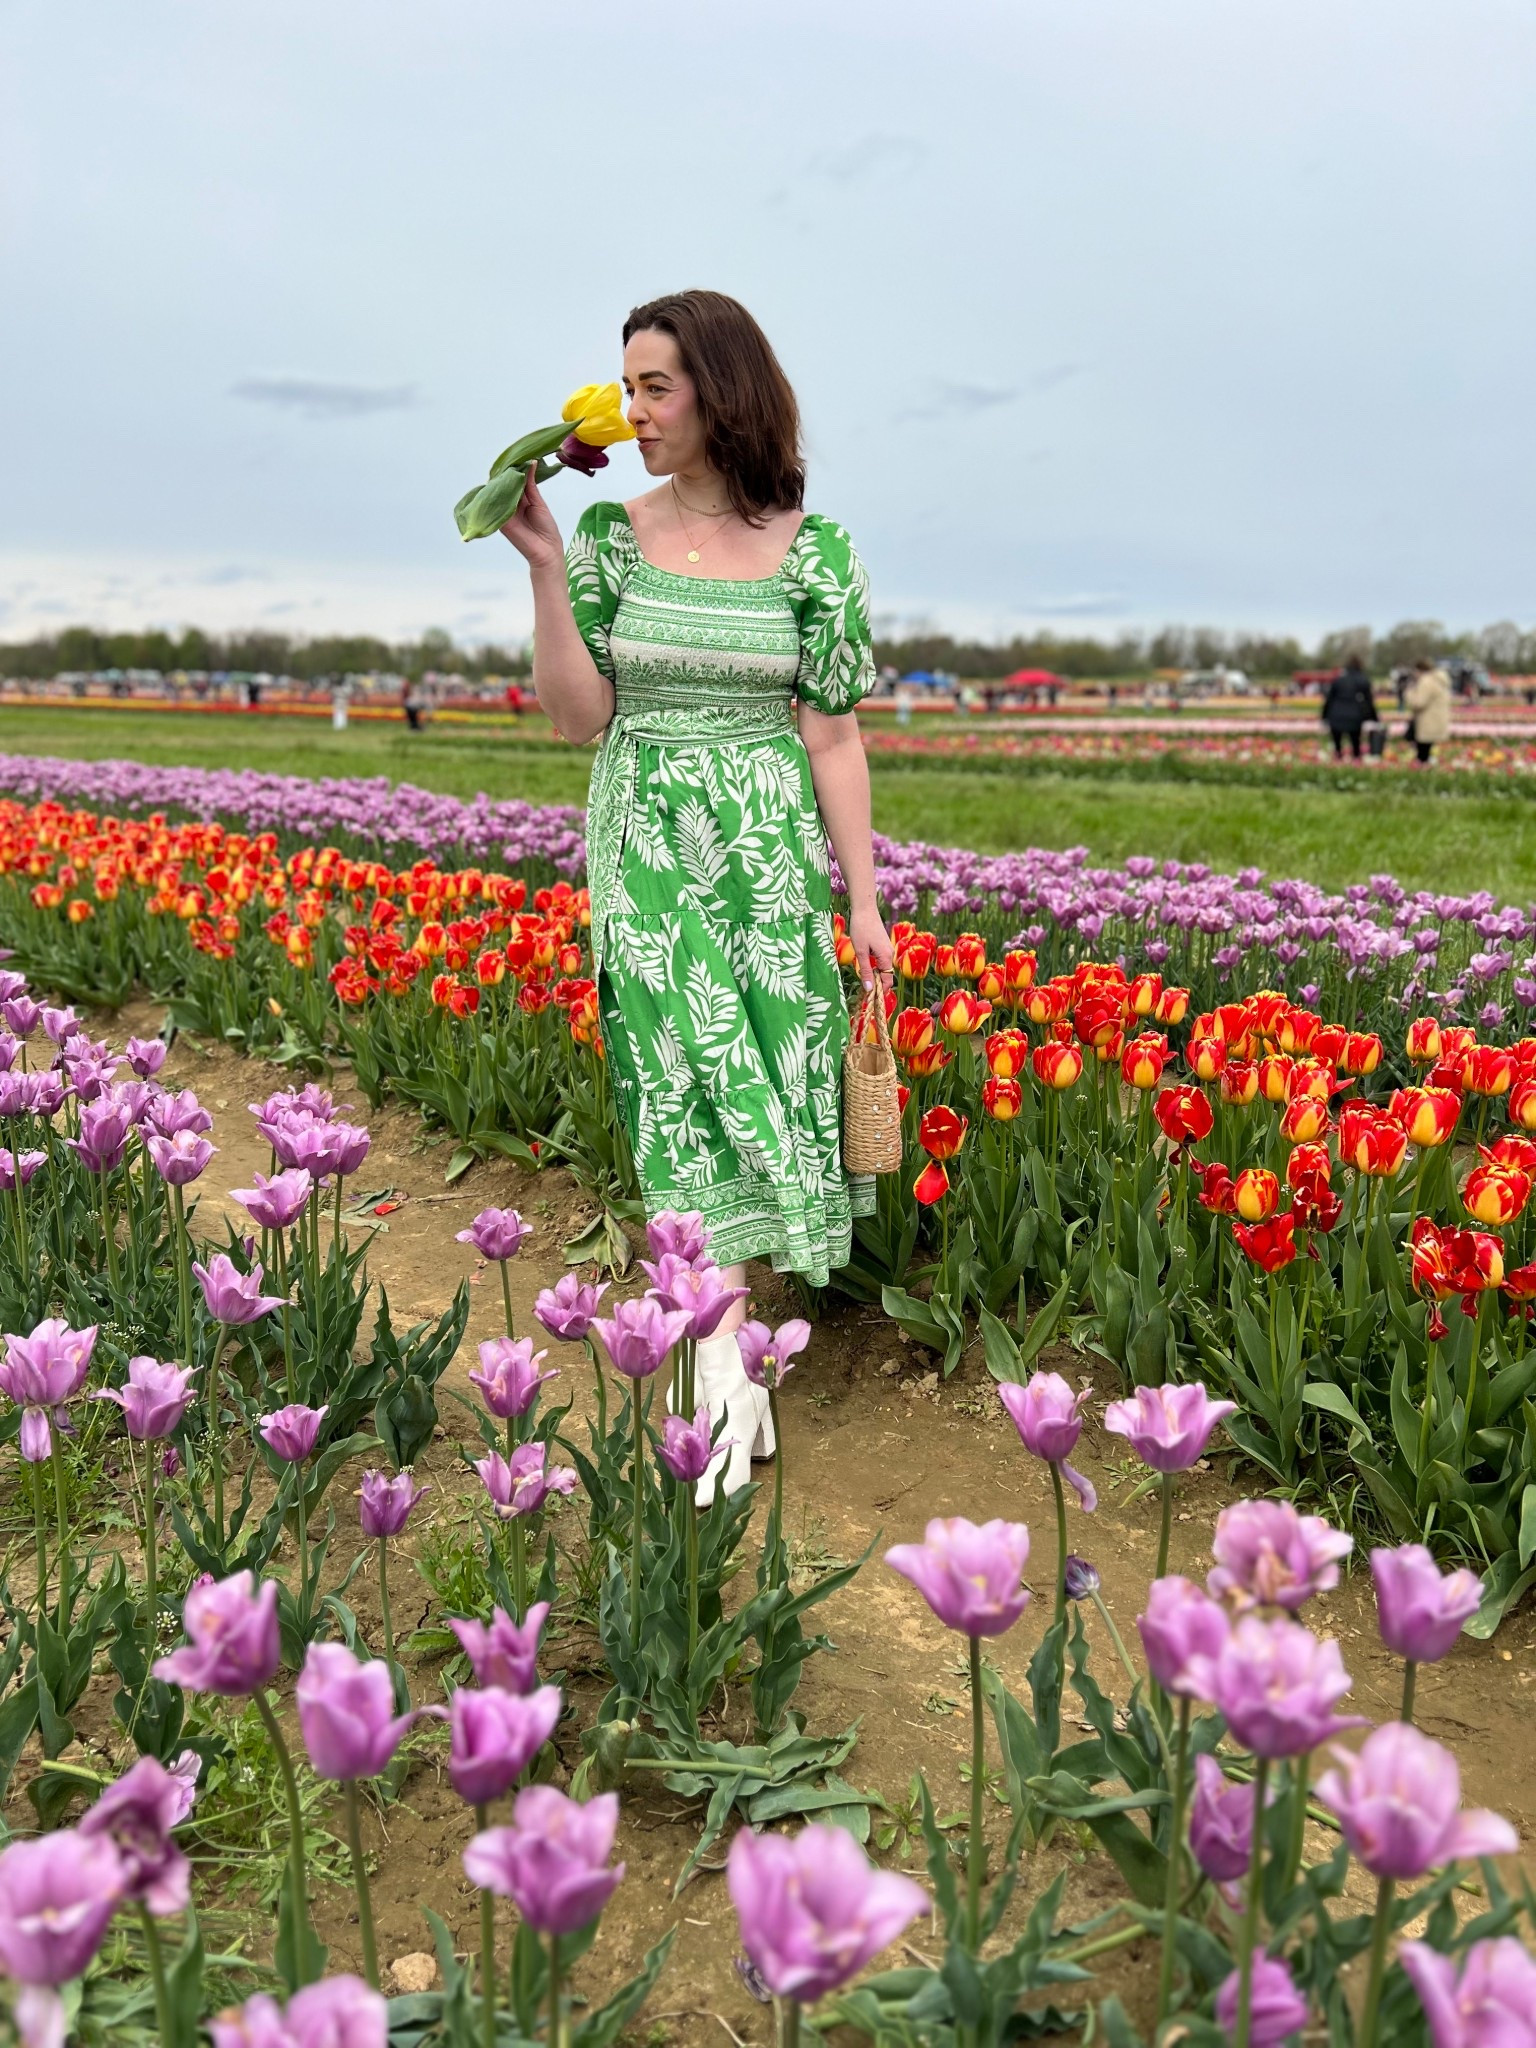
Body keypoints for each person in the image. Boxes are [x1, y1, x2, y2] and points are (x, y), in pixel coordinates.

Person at [500, 288, 893, 1502]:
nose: (632, 411)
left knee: (763, 1084)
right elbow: (581, 716)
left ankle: (727, 1363)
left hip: (766, 859)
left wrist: (864, 905)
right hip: (648, 844)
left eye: (655, 387)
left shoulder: (814, 550)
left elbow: (832, 738)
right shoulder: (613, 534)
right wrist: (551, 570)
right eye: (627, 387)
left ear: (721, 393)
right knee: (675, 1077)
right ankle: (715, 1366)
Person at [1319, 654, 1378, 760]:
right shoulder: (1363, 680)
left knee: (1337, 747)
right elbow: (1369, 701)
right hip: (1354, 716)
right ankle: (1356, 765)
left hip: (1336, 714)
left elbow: (1329, 700)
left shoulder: (1339, 680)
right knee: (1355, 743)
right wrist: (1375, 718)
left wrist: (1324, 717)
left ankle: (1337, 765)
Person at [1403, 656, 1452, 766]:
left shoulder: (1426, 681)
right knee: (1427, 751)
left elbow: (1419, 702)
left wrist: (1409, 693)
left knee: (1422, 755)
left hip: (1427, 721)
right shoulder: (1439, 680)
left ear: (1419, 670)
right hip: (1436, 720)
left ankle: (1421, 775)